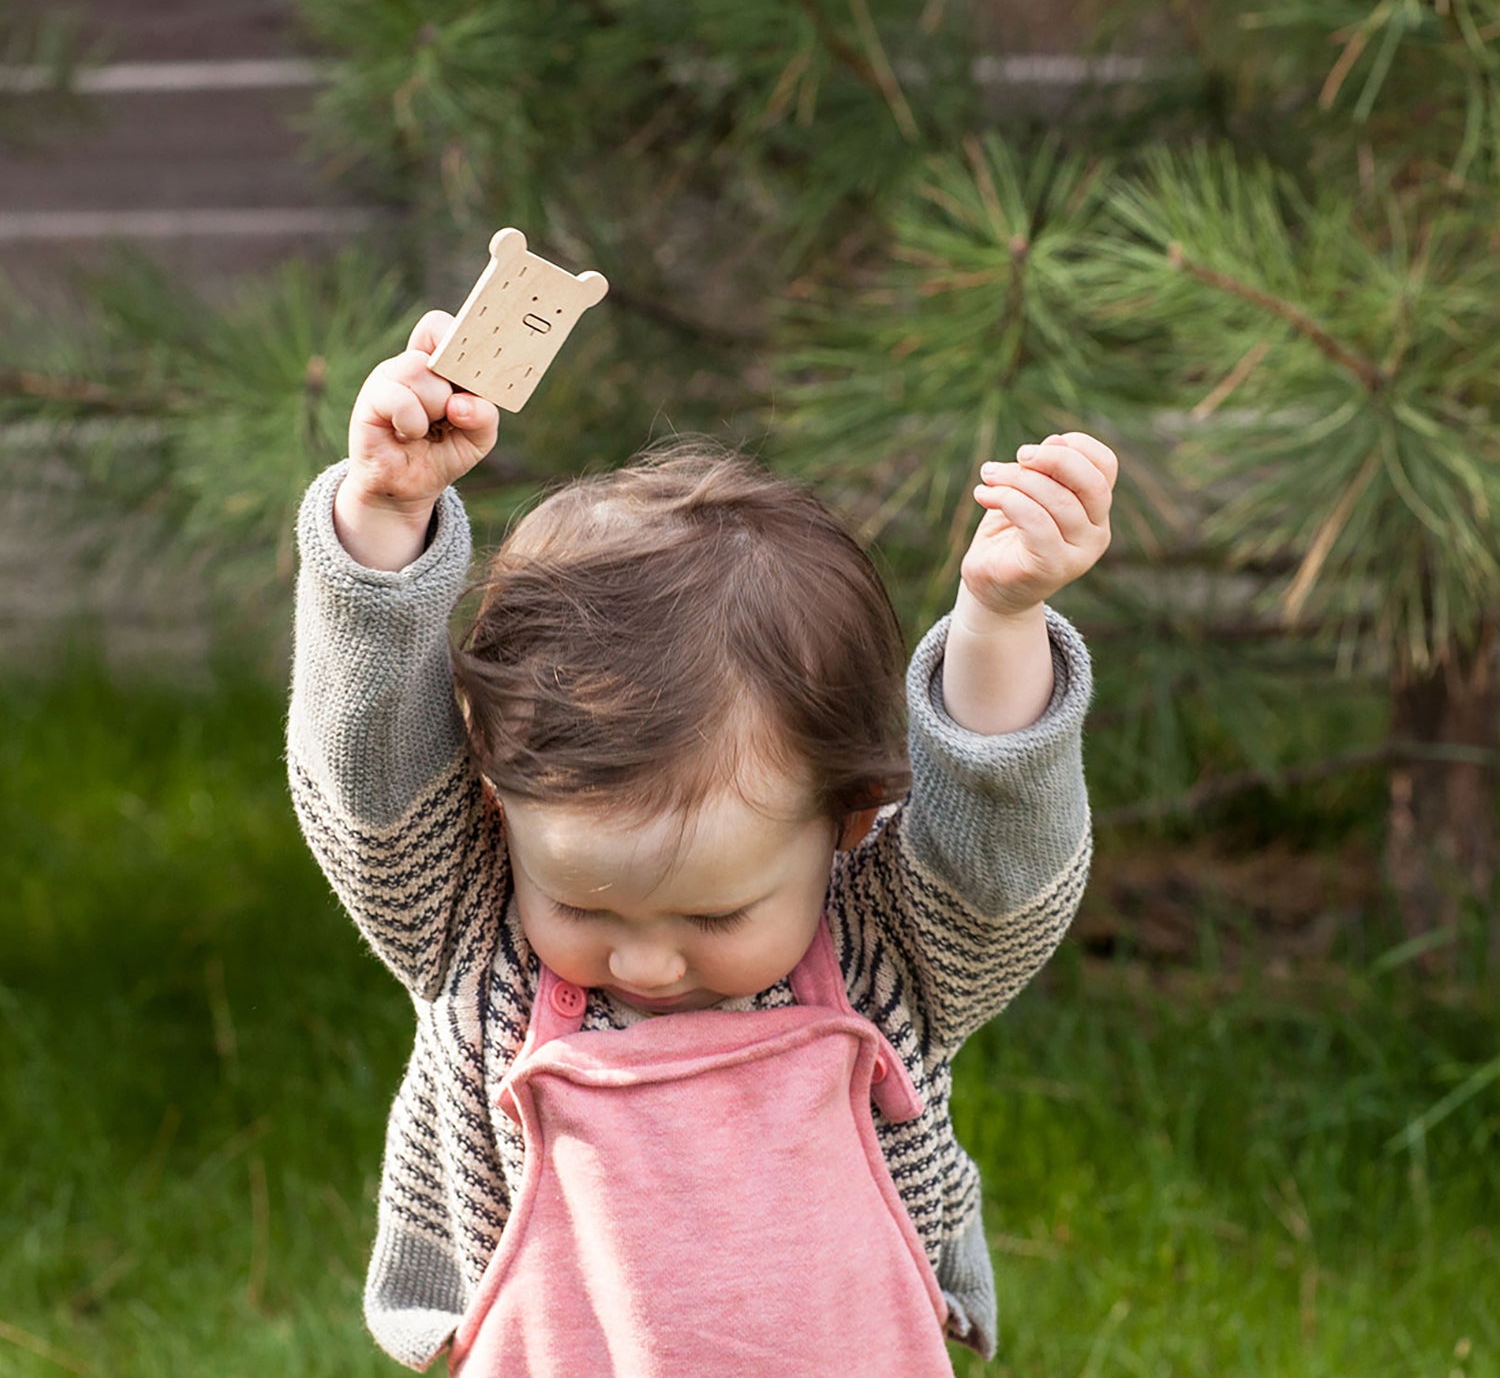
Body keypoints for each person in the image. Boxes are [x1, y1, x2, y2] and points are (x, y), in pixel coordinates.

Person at [288, 307, 1115, 1375]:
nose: (646, 960)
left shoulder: (887, 960)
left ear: (847, 820)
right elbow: (368, 774)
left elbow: (997, 865)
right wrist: (385, 522)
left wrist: (999, 620)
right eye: (583, 907)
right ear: (496, 805)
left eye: (717, 914)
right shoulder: (470, 930)